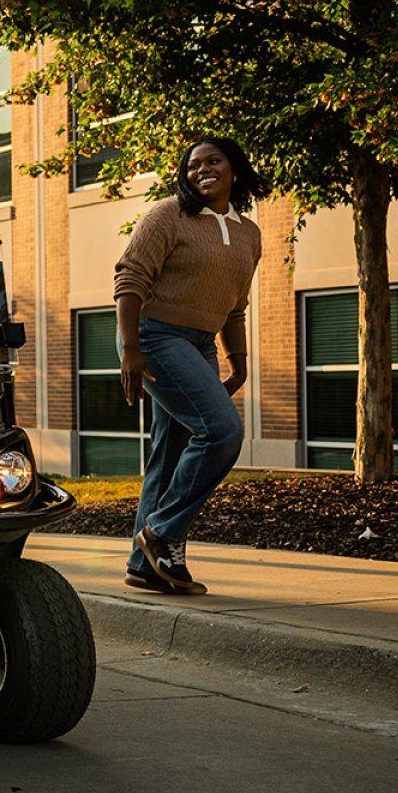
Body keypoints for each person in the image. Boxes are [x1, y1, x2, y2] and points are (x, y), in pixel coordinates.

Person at [114, 136, 271, 596]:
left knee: (167, 454)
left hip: (200, 342)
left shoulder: (249, 232)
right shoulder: (167, 215)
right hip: (154, 335)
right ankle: (162, 532)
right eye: (192, 164)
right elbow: (130, 278)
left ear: (233, 169)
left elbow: (235, 306)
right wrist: (130, 348)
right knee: (222, 431)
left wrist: (237, 364)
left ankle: (143, 565)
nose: (202, 169)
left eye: (213, 160)